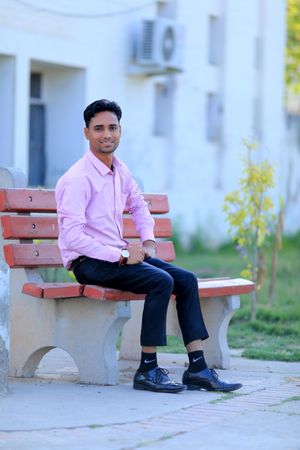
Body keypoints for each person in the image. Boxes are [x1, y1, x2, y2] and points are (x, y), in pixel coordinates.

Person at [55, 99, 242, 394]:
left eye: (112, 128)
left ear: (120, 130)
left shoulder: (120, 171)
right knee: (160, 281)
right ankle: (147, 369)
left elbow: (139, 208)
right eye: (99, 128)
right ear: (86, 133)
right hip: (88, 262)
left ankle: (197, 368)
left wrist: (148, 241)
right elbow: (73, 238)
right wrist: (122, 255)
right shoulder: (77, 179)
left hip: (116, 256)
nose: (107, 134)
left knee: (186, 279)